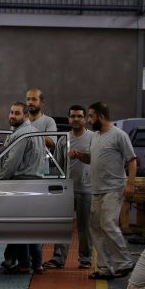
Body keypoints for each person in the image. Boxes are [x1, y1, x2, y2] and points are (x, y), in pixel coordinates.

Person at [72, 102, 137, 279]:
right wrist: (78, 155)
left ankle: (124, 262)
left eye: (91, 116)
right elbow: (92, 160)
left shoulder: (119, 135)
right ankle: (104, 267)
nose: (89, 120)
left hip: (114, 188)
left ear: (101, 116)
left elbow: (132, 160)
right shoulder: (96, 137)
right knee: (96, 228)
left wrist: (130, 184)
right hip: (97, 189)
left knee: (108, 223)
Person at [0, 102, 47, 274]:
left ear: (25, 116)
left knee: (21, 226)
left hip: (22, 183)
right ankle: (37, 264)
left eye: (17, 113)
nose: (12, 116)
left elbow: (11, 163)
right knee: (32, 226)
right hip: (36, 182)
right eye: (11, 112)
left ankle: (25, 264)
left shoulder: (22, 134)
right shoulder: (32, 131)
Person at [45, 104, 93, 269]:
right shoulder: (63, 139)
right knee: (63, 225)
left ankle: (85, 259)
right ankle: (58, 259)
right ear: (69, 118)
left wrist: (79, 155)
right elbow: (57, 166)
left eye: (80, 116)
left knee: (85, 227)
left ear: (85, 119)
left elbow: (98, 161)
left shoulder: (93, 138)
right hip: (66, 190)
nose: (76, 119)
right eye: (73, 116)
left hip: (87, 189)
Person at [24, 88, 56, 267]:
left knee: (35, 220)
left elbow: (52, 141)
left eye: (34, 100)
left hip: (40, 176)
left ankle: (36, 261)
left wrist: (30, 133)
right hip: (21, 176)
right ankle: (17, 259)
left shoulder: (48, 122)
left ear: (41, 102)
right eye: (28, 99)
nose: (30, 103)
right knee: (20, 218)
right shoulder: (23, 120)